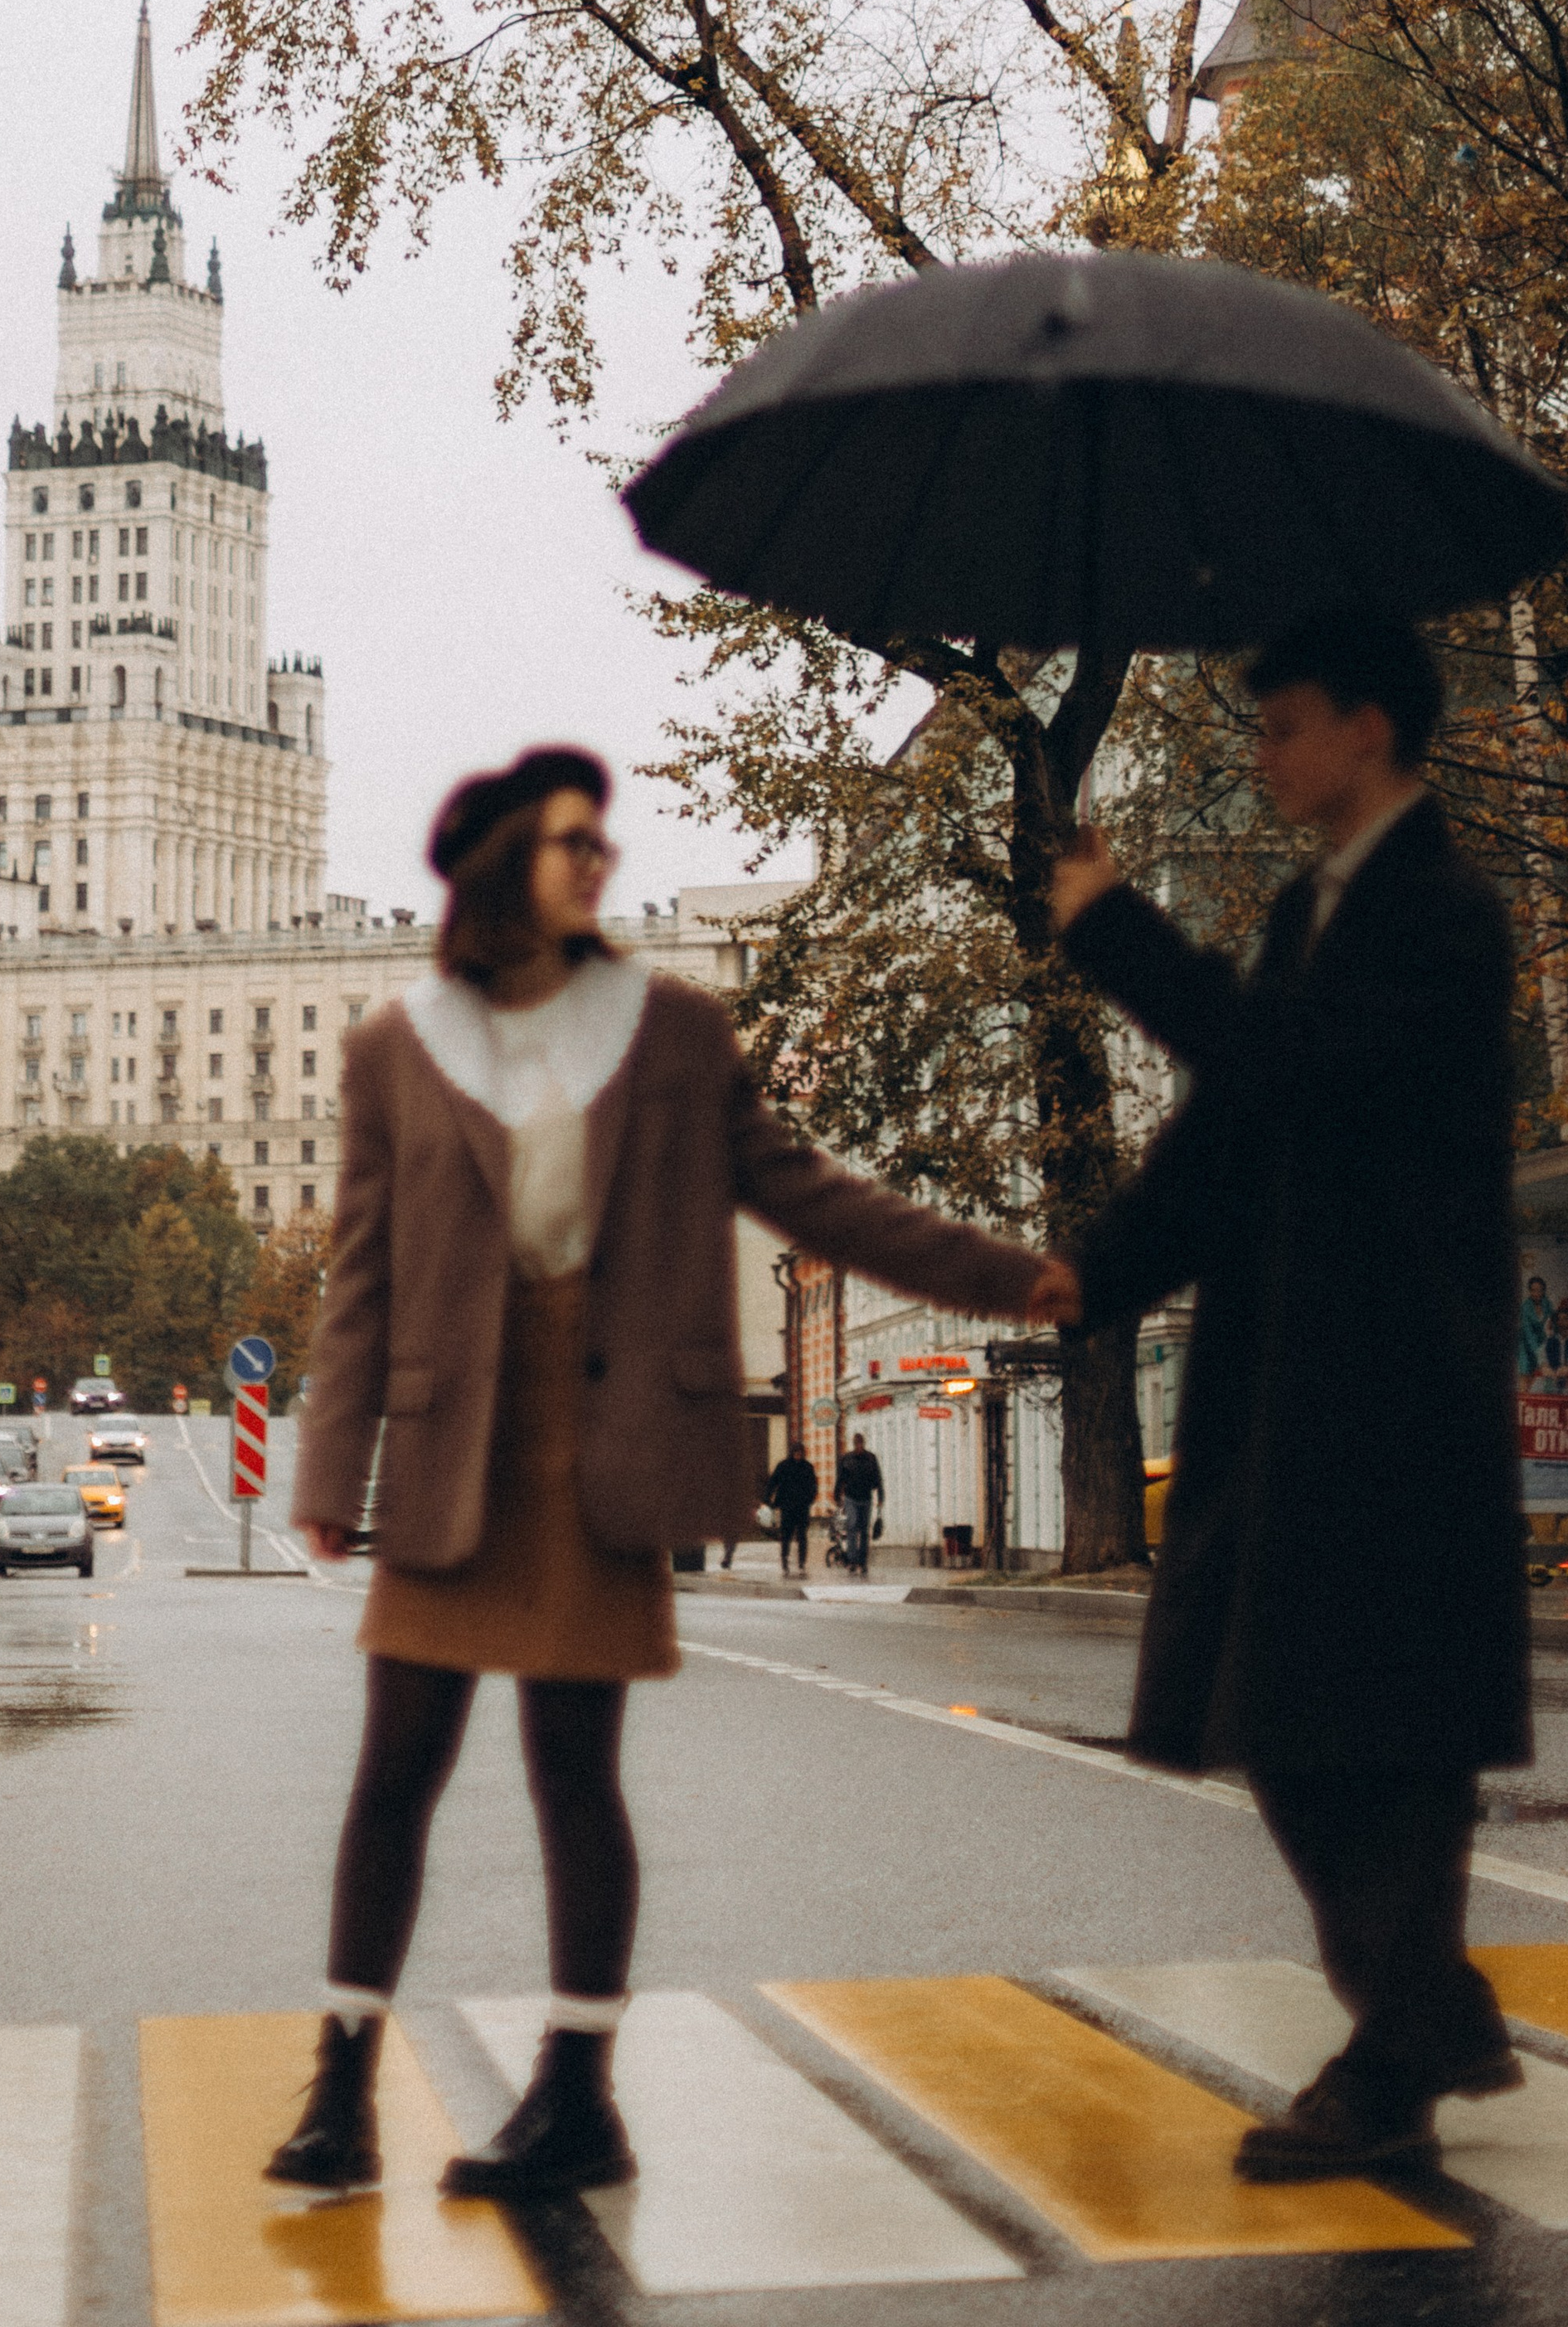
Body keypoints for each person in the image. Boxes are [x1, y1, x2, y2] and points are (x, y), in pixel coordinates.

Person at [274, 746, 1051, 2201]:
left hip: (599, 1449)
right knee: (396, 1774)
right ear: (500, 864)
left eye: (601, 844)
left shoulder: (673, 1030)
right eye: (573, 843)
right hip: (456, 1455)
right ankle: (342, 2090)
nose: (599, 865)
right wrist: (333, 1461)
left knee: (575, 1771)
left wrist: (1012, 1279)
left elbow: (808, 1189)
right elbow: (360, 1277)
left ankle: (578, 2093)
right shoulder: (398, 1044)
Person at [1041, 609, 1531, 2185]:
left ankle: (1399, 2047)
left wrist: (1114, 931)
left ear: (1370, 729)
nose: (1263, 751)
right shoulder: (1311, 912)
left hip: (1394, 1383)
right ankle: (1420, 2016)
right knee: (1291, 1717)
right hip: (1292, 1381)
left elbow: (1290, 1069)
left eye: (1283, 721)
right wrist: (1097, 1270)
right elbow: (1232, 1132)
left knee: (1366, 1724)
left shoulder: (1445, 916)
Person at [832, 1434, 885, 1581]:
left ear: (863, 1444)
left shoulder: (871, 1458)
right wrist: (837, 1496)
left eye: (861, 1444)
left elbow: (878, 1479)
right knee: (852, 1526)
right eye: (856, 1444)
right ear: (854, 1444)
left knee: (864, 1530)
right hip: (851, 1498)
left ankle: (863, 1562)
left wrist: (881, 1497)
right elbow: (840, 1478)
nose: (859, 1447)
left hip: (866, 1498)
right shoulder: (847, 1459)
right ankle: (853, 1560)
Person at [765, 1445, 822, 1578]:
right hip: (787, 1507)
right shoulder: (784, 1466)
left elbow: (813, 1485)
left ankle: (802, 1562)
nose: (798, 1455)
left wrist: (810, 1499)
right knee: (786, 1535)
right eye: (796, 1453)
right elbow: (773, 1482)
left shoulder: (807, 1467)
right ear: (792, 1453)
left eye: (800, 1453)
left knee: (802, 1536)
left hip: (802, 1507)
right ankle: (785, 1560)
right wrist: (768, 1498)